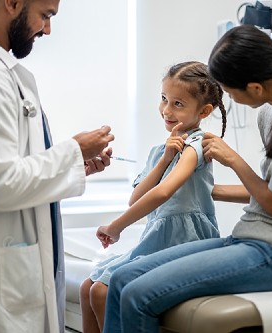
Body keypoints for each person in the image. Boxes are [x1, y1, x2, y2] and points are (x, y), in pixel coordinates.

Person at [102, 25, 272, 333]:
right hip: (250, 238)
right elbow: (269, 191)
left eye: (231, 92)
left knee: (139, 295)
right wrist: (207, 190)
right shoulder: (270, 114)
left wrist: (232, 159)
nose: (229, 99)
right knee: (122, 279)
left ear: (256, 88)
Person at [0, 1, 115, 332]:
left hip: (2, 278)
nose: (47, 29)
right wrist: (73, 150)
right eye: (45, 15)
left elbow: (7, 167)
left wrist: (73, 163)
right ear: (12, 3)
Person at [79, 61, 228, 333]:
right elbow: (135, 199)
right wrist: (164, 160)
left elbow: (164, 191)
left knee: (100, 292)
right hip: (158, 240)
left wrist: (116, 227)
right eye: (163, 99)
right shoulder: (160, 151)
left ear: (204, 111)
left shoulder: (197, 144)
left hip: (186, 242)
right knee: (87, 287)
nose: (167, 110)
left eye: (178, 104)